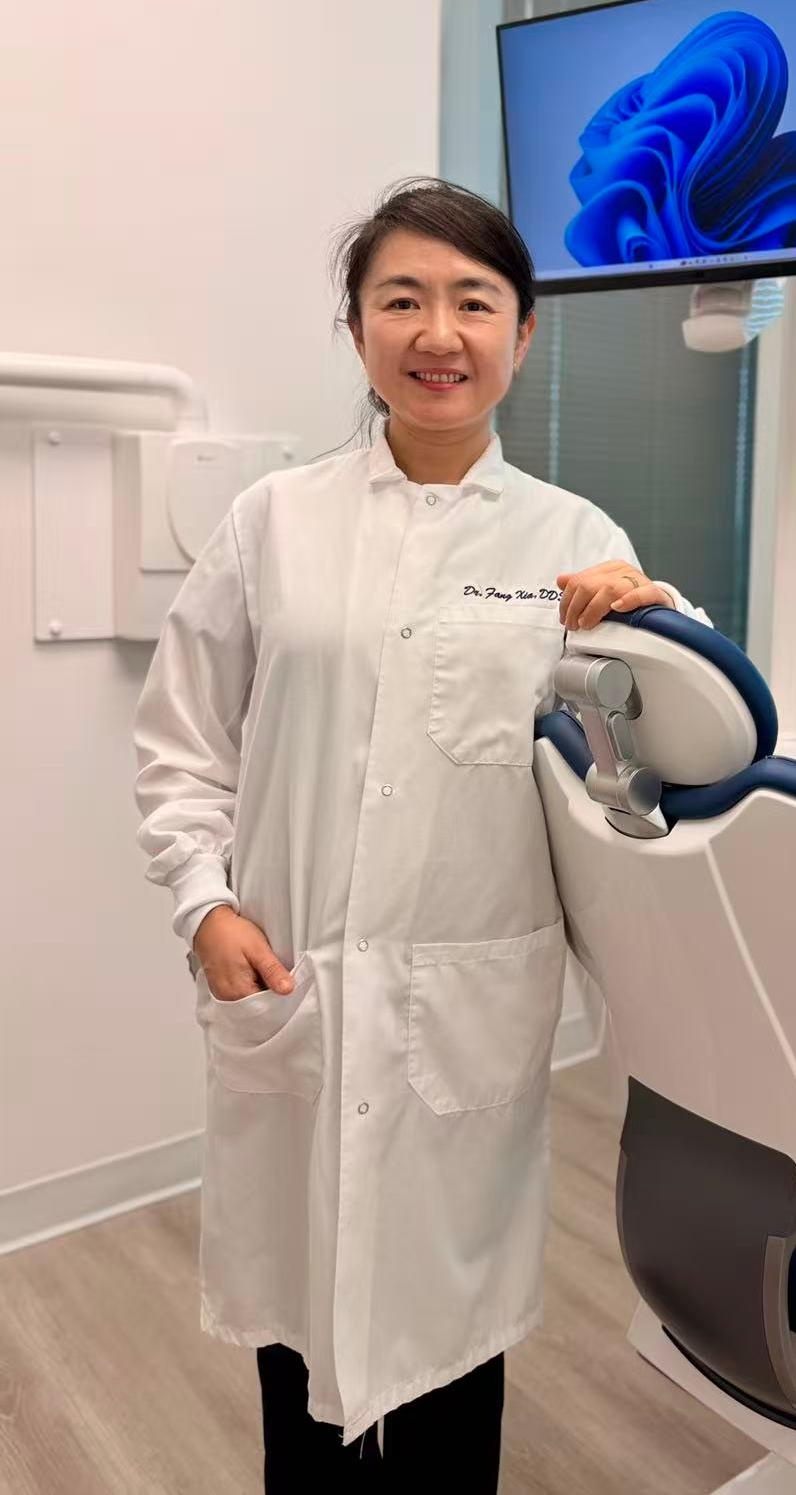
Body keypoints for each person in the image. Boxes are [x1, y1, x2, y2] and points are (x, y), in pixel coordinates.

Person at [132, 177, 712, 1489]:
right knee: (303, 1340)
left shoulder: (575, 542)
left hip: (465, 1007)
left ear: (523, 336)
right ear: (355, 330)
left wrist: (651, 634)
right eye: (401, 299)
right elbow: (181, 741)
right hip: (297, 987)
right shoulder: (272, 522)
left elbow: (672, 767)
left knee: (449, 1348)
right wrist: (203, 906)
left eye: (472, 301)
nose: (436, 332)